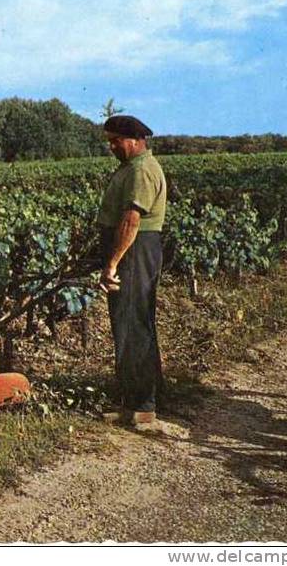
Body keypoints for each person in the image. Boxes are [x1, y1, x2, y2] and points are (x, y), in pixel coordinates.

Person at [97, 115, 167, 432]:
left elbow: (131, 221)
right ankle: (132, 402)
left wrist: (113, 263)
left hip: (136, 251)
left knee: (134, 324)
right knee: (127, 325)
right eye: (109, 140)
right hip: (132, 250)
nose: (111, 146)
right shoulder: (131, 167)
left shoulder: (141, 170)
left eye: (116, 140)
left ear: (135, 140)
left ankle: (143, 406)